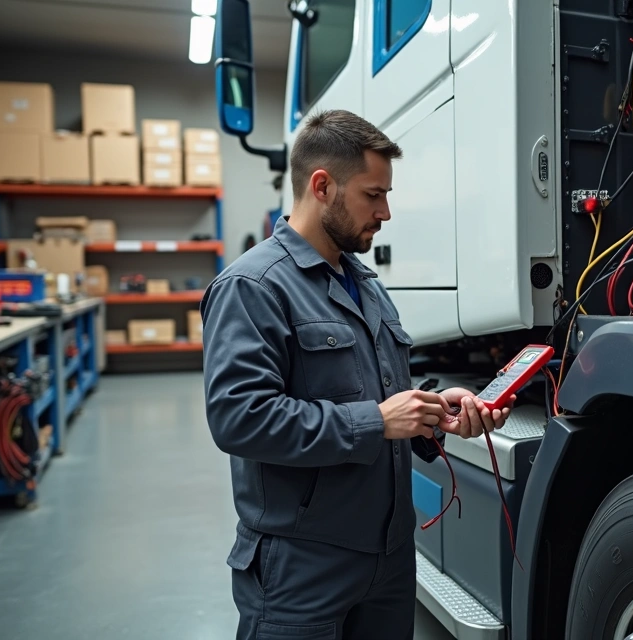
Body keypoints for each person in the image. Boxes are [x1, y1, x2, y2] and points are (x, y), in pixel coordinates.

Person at [200, 109, 515, 640]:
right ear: (322, 186)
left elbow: (380, 393)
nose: (385, 212)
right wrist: (377, 421)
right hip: (302, 565)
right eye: (374, 195)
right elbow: (240, 418)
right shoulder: (253, 286)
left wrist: (433, 413)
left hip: (389, 556)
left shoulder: (364, 283)